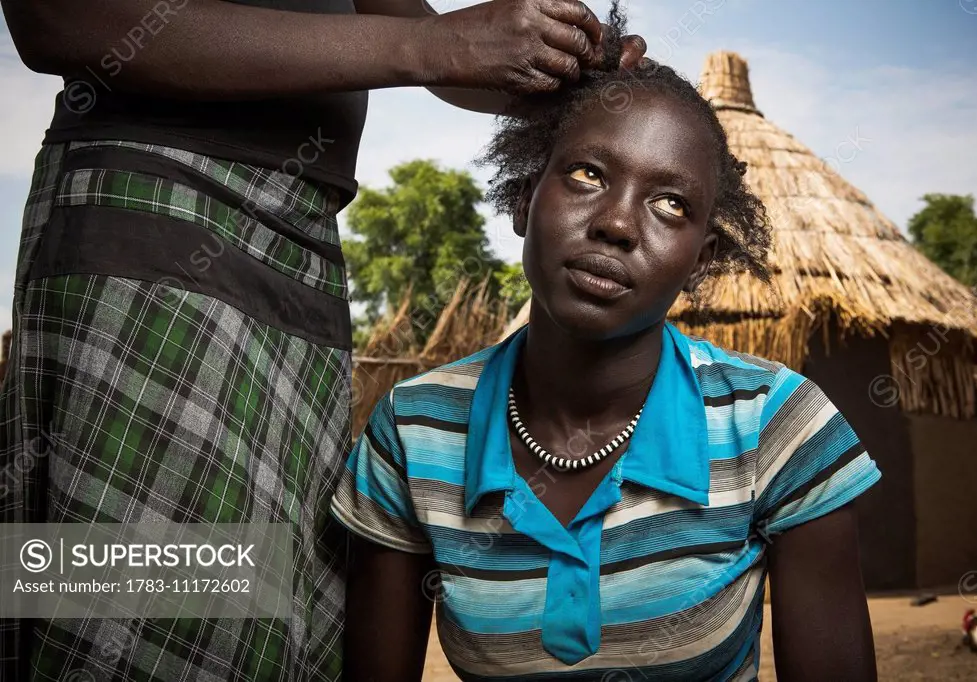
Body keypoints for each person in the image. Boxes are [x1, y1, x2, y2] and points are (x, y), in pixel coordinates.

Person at [0, 0, 648, 680]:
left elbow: (436, 47)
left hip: (304, 237)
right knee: (142, 610)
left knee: (253, 614)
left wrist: (557, 69)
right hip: (164, 211)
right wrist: (428, 44)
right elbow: (58, 18)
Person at [332, 5, 881, 680]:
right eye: (589, 174)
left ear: (702, 259)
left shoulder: (775, 427)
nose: (618, 223)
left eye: (670, 204)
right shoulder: (415, 434)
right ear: (524, 197)